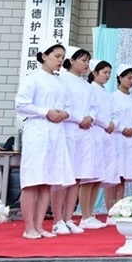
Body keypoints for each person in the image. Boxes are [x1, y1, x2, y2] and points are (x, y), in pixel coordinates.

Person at [15, 43, 74, 239]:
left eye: (62, 57)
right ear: (44, 56)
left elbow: (67, 106)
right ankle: (29, 227)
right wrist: (45, 112)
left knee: (47, 181)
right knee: (33, 181)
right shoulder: (33, 79)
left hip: (56, 134)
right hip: (37, 133)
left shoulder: (61, 83)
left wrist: (64, 113)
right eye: (57, 56)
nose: (60, 60)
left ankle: (40, 226)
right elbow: (21, 104)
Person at [53, 47, 96, 235]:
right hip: (67, 131)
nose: (86, 64)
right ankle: (57, 220)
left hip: (84, 134)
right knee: (63, 177)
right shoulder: (61, 81)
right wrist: (80, 119)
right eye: (83, 60)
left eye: (88, 61)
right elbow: (62, 107)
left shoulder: (87, 86)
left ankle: (69, 218)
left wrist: (90, 117)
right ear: (71, 60)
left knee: (77, 177)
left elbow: (93, 107)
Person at [87, 60, 118, 225]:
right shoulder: (90, 89)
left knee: (99, 177)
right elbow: (92, 112)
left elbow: (115, 113)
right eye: (104, 72)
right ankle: (86, 215)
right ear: (94, 73)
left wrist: (113, 123)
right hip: (94, 133)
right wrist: (106, 124)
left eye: (109, 73)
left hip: (106, 136)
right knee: (90, 177)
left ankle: (91, 214)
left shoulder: (108, 94)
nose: (107, 76)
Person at [109, 64, 132, 220]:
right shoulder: (112, 97)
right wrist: (122, 129)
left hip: (129, 140)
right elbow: (110, 118)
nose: (131, 81)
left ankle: (119, 209)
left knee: (123, 177)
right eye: (129, 78)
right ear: (120, 78)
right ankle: (110, 211)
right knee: (113, 176)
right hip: (115, 139)